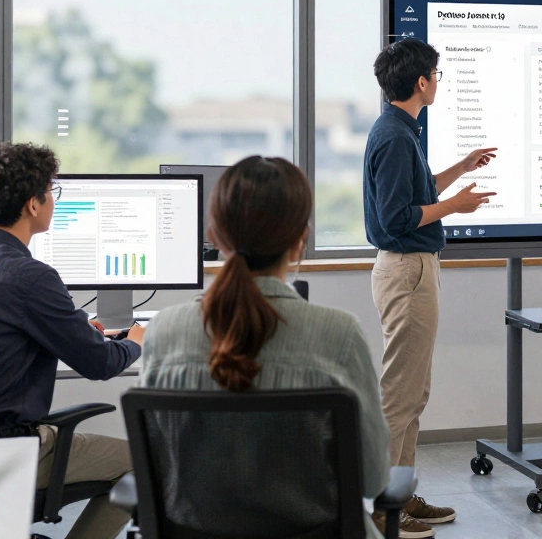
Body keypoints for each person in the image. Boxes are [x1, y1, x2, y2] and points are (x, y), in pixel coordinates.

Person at [140, 156, 391, 537]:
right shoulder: (339, 335)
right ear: (300, 241)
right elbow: (372, 479)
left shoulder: (163, 333)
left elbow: (158, 473)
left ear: (214, 234)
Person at [0, 143, 141, 539]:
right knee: (142, 463)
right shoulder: (30, 277)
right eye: (50, 192)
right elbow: (101, 365)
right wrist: (137, 341)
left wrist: (70, 331)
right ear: (33, 205)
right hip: (10, 449)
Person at [362, 38, 496, 537]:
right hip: (407, 270)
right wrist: (455, 208)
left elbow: (416, 192)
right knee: (400, 393)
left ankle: (401, 494)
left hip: (413, 268)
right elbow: (400, 217)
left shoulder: (400, 129)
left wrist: (461, 168)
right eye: (436, 75)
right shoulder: (396, 136)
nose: (438, 82)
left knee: (413, 392)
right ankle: (384, 507)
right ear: (421, 81)